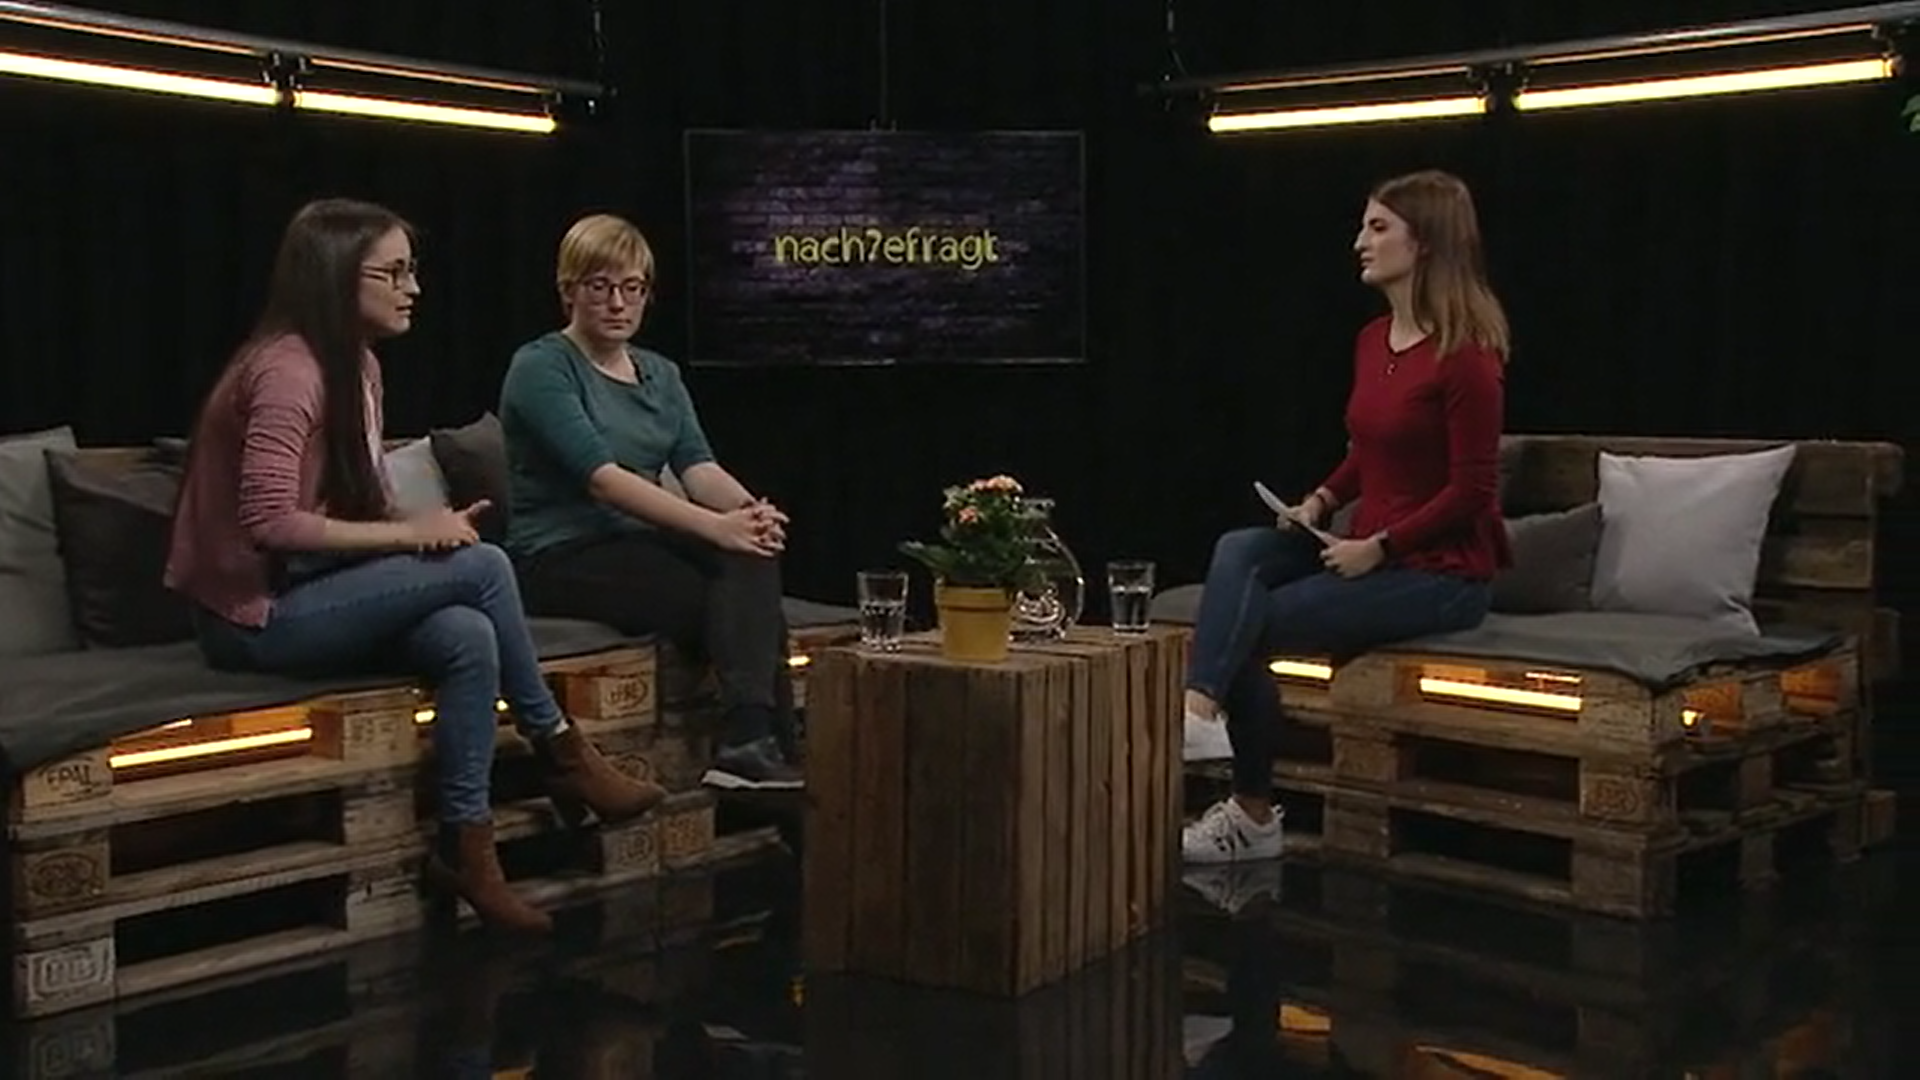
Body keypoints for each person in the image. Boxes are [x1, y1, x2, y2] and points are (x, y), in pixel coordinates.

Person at [165, 197, 665, 936]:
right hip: (253, 617)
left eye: (412, 270)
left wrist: (418, 530)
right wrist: (411, 536)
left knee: (467, 634)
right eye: (394, 272)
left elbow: (354, 500)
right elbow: (270, 523)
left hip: (314, 587)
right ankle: (559, 746)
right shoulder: (288, 372)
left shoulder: (357, 366)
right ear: (338, 276)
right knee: (484, 567)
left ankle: (465, 846)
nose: (413, 288)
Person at [1179, 169, 1512, 864]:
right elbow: (1367, 450)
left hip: (1443, 573)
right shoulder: (1371, 340)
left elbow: (1473, 491)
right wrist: (1321, 501)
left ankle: (1252, 813)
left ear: (1426, 243)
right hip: (1367, 543)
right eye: (1364, 226)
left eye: (1378, 227)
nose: (1360, 241)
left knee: (1253, 623)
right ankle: (1200, 710)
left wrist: (1381, 547)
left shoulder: (1467, 358)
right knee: (1240, 550)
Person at [499, 213, 801, 791]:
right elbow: (603, 481)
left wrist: (750, 512)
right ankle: (759, 748)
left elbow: (697, 466)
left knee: (752, 559)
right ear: (568, 291)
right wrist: (718, 528)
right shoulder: (541, 367)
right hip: (559, 554)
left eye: (632, 287)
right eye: (600, 286)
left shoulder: (660, 374)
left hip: (638, 541)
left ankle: (752, 746)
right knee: (731, 604)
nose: (618, 303)